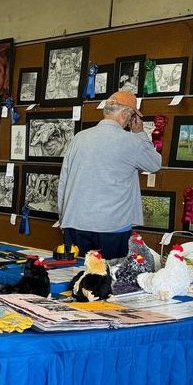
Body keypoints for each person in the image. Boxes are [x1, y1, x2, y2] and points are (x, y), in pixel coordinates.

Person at [58, 91, 161, 259]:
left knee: (76, 277)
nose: (130, 120)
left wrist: (64, 219)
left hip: (75, 222)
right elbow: (155, 164)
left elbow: (64, 181)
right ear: (126, 113)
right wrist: (140, 134)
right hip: (112, 227)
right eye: (132, 115)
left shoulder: (79, 138)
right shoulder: (131, 141)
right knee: (109, 280)